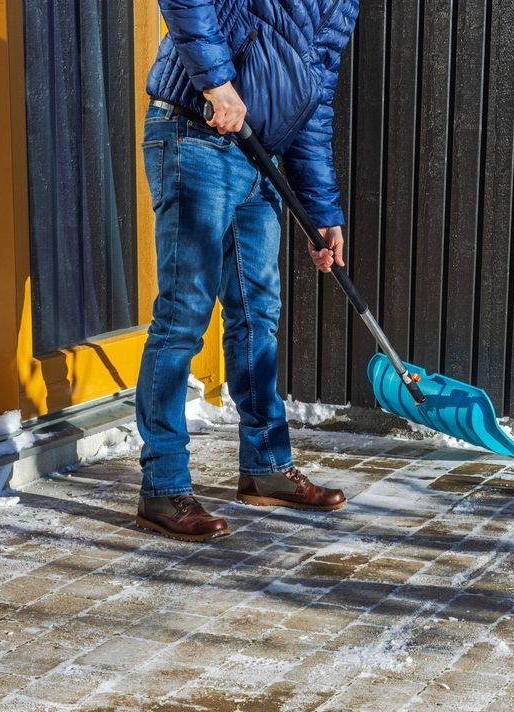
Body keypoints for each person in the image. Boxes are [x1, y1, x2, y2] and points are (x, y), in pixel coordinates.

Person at [134, 0, 361, 542]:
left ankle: (265, 467)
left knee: (258, 314)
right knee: (185, 313)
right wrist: (216, 83)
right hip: (195, 132)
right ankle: (162, 488)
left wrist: (321, 211)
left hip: (260, 158)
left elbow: (315, 104)